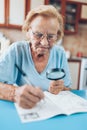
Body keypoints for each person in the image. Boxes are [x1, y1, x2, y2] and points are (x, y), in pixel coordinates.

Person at [0, 5, 72, 109]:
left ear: (57, 36)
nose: (44, 42)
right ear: (28, 31)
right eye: (38, 35)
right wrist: (14, 93)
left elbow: (67, 88)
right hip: (23, 110)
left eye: (51, 37)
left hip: (49, 111)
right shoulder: (16, 50)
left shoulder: (59, 53)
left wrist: (60, 88)